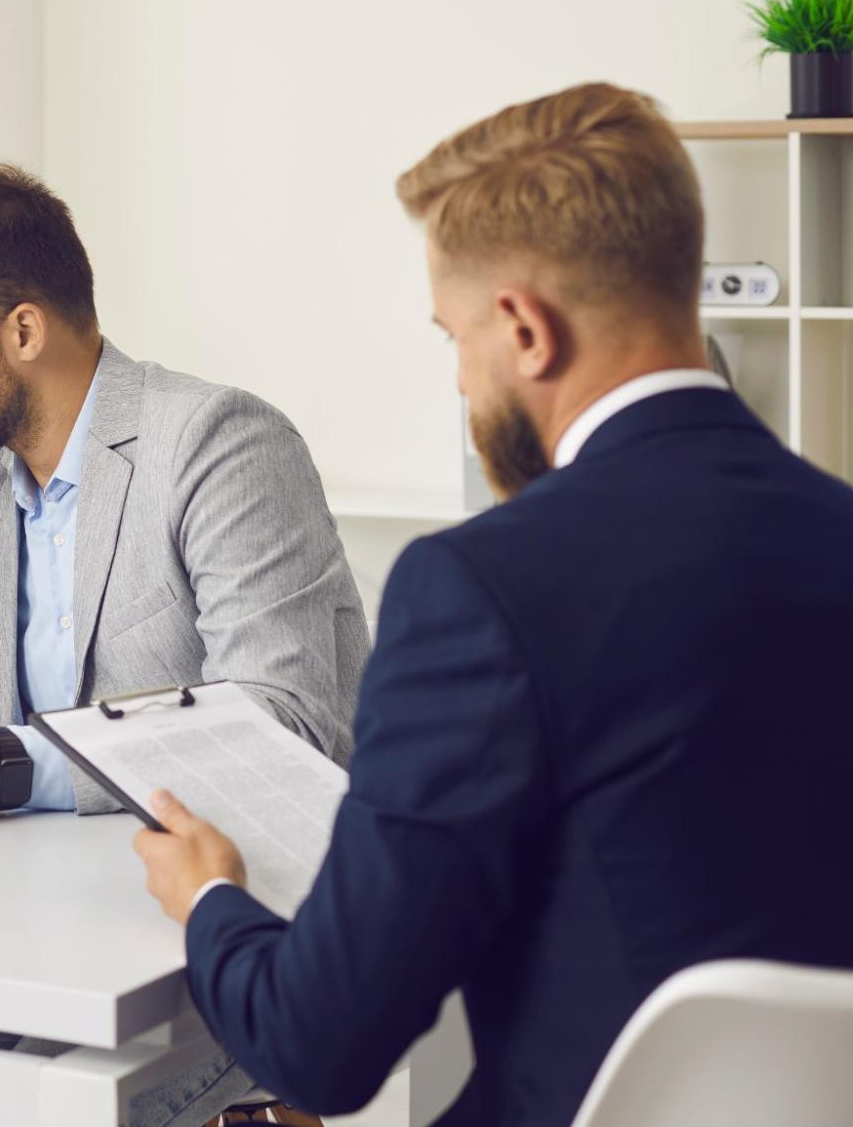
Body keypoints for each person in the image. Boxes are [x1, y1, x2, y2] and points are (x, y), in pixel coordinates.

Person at [132, 82, 853, 1126]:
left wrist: (209, 896)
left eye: (453, 338)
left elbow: (321, 1045)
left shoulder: (479, 590)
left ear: (523, 328)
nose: (463, 381)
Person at [0, 163, 369, 1125]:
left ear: (23, 330)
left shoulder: (220, 443)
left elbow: (280, 726)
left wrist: (3, 765)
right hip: (44, 935)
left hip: (221, 944)